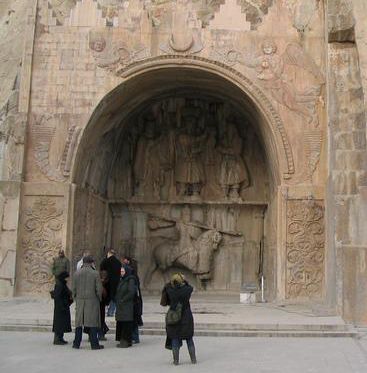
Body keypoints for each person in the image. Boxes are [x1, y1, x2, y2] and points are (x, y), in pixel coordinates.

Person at [160, 273, 196, 365]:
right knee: (189, 339)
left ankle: (176, 361)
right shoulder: (187, 290)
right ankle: (193, 359)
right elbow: (190, 287)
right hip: (186, 316)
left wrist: (172, 282)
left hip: (174, 316)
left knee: (175, 338)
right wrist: (185, 282)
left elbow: (167, 288)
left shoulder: (170, 290)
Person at [72, 255, 104, 350]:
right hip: (92, 301)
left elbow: (74, 289)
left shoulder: (77, 273)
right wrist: (99, 298)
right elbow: (99, 289)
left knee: (79, 323)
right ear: (91, 263)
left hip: (80, 301)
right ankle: (94, 344)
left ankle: (76, 343)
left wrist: (75, 298)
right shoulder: (95, 273)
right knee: (92, 323)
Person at [115, 264, 136, 348]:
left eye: (123, 271)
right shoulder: (122, 279)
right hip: (121, 306)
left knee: (126, 323)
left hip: (126, 306)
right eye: (121, 271)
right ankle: (124, 340)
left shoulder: (130, 280)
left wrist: (123, 299)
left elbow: (131, 292)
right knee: (122, 323)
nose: (121, 273)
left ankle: (126, 341)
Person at [52, 271, 72, 345]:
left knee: (62, 324)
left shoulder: (62, 284)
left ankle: (60, 338)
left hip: (64, 306)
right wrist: (62, 305)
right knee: (59, 324)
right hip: (61, 307)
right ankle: (57, 339)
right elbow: (57, 296)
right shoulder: (59, 285)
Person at [100, 249, 122, 317]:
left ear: (109, 254)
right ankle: (111, 311)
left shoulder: (105, 261)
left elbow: (101, 269)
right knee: (114, 297)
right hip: (116, 282)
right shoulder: (118, 262)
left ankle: (105, 310)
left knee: (106, 296)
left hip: (107, 282)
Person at [98, 269, 110, 341]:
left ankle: (101, 333)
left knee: (101, 319)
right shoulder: (99, 283)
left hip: (101, 303)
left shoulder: (106, 283)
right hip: (98, 303)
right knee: (100, 319)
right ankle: (101, 334)